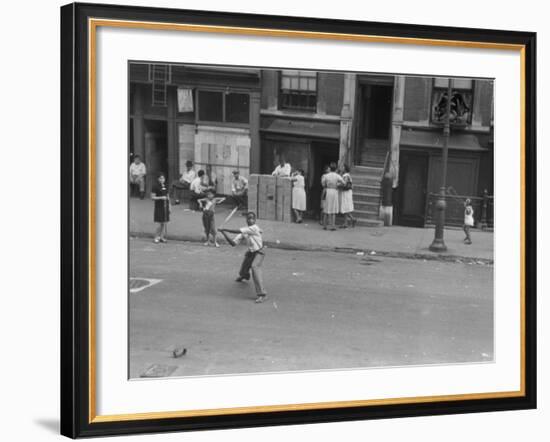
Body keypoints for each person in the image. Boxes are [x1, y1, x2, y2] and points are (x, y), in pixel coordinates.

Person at [219, 212, 267, 303]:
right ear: (246, 220)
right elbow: (233, 244)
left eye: (252, 218)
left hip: (259, 252)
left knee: (254, 267)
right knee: (243, 270)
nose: (250, 220)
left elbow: (238, 231)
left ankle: (262, 294)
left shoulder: (254, 228)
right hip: (251, 252)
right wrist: (223, 233)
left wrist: (224, 228)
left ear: (255, 220)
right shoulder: (244, 232)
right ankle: (244, 275)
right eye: (248, 218)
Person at [321, 162, 344, 231]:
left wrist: (326, 185)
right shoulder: (337, 176)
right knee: (333, 209)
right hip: (334, 191)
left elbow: (322, 184)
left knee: (326, 208)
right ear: (336, 168)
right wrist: (337, 185)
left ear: (330, 168)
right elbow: (344, 183)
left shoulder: (326, 176)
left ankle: (325, 226)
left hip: (328, 191)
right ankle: (332, 226)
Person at [151, 173, 170, 243]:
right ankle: (156, 236)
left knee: (163, 223)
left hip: (165, 206)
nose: (162, 180)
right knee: (159, 223)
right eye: (161, 178)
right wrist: (161, 198)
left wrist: (169, 207)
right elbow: (152, 197)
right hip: (159, 206)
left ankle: (161, 237)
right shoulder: (155, 186)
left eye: (163, 178)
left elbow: (168, 197)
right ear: (158, 179)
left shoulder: (165, 186)